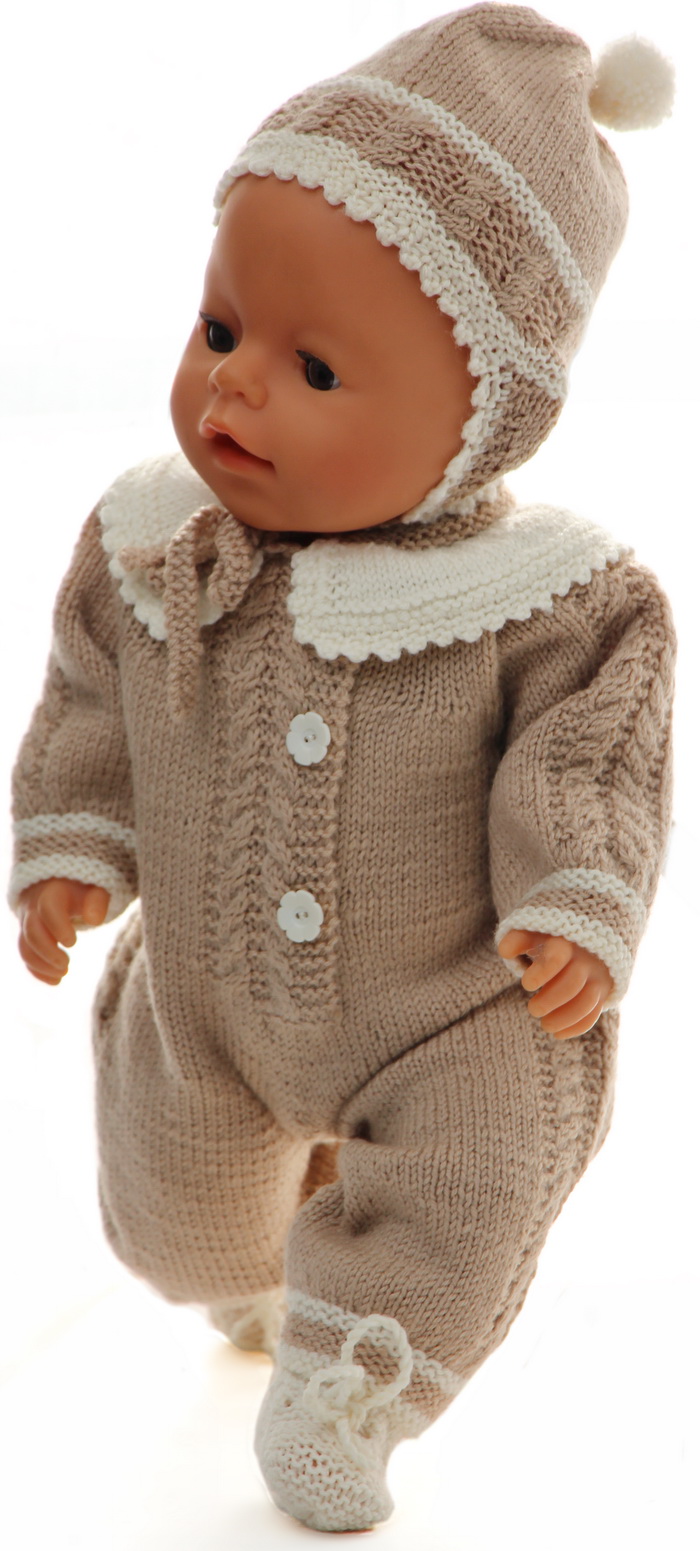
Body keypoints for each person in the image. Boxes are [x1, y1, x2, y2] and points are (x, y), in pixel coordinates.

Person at [9, 5, 675, 1534]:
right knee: (178, 1232)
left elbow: (588, 757)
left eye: (314, 368)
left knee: (477, 1170)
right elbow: (92, 693)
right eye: (220, 330)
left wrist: (572, 900)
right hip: (208, 995)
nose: (233, 389)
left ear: (486, 415)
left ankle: (349, 1383)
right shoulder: (150, 547)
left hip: (448, 1006)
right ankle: (266, 1268)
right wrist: (75, 844)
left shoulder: (553, 601)